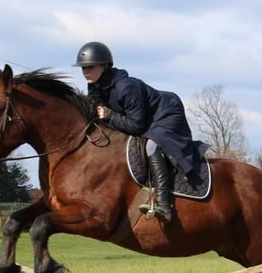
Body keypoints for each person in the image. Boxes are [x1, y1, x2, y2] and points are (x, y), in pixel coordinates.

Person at [73, 41, 205, 223]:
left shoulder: (127, 87)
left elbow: (137, 127)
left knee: (152, 145)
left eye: (90, 67)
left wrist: (109, 115)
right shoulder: (95, 86)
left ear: (104, 66)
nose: (85, 71)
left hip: (167, 114)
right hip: (145, 118)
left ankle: (164, 206)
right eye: (83, 68)